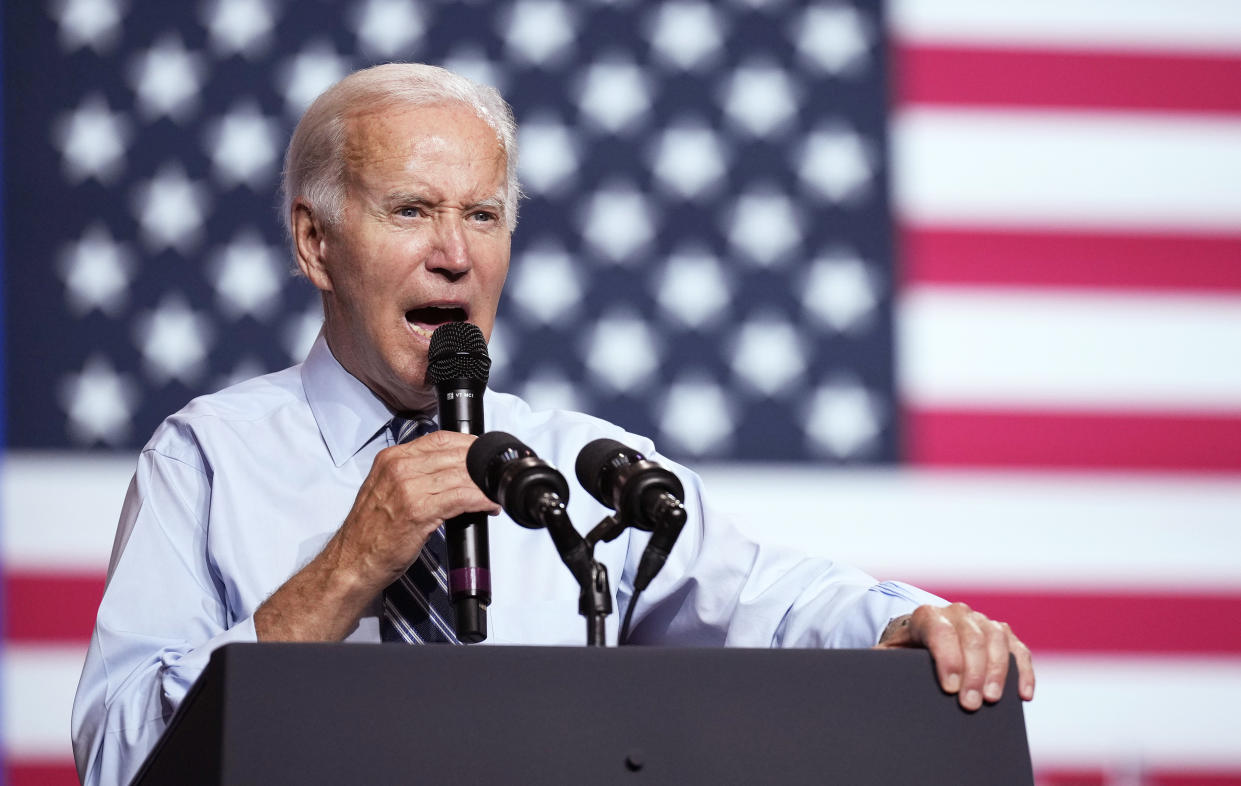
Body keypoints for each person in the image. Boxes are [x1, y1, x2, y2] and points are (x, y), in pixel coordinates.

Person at [71, 63, 1034, 785]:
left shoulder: (579, 463)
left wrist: (908, 621)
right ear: (314, 242)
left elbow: (771, 601)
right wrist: (348, 569)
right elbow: (117, 755)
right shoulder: (205, 459)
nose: (454, 255)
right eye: (412, 210)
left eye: (483, 216)